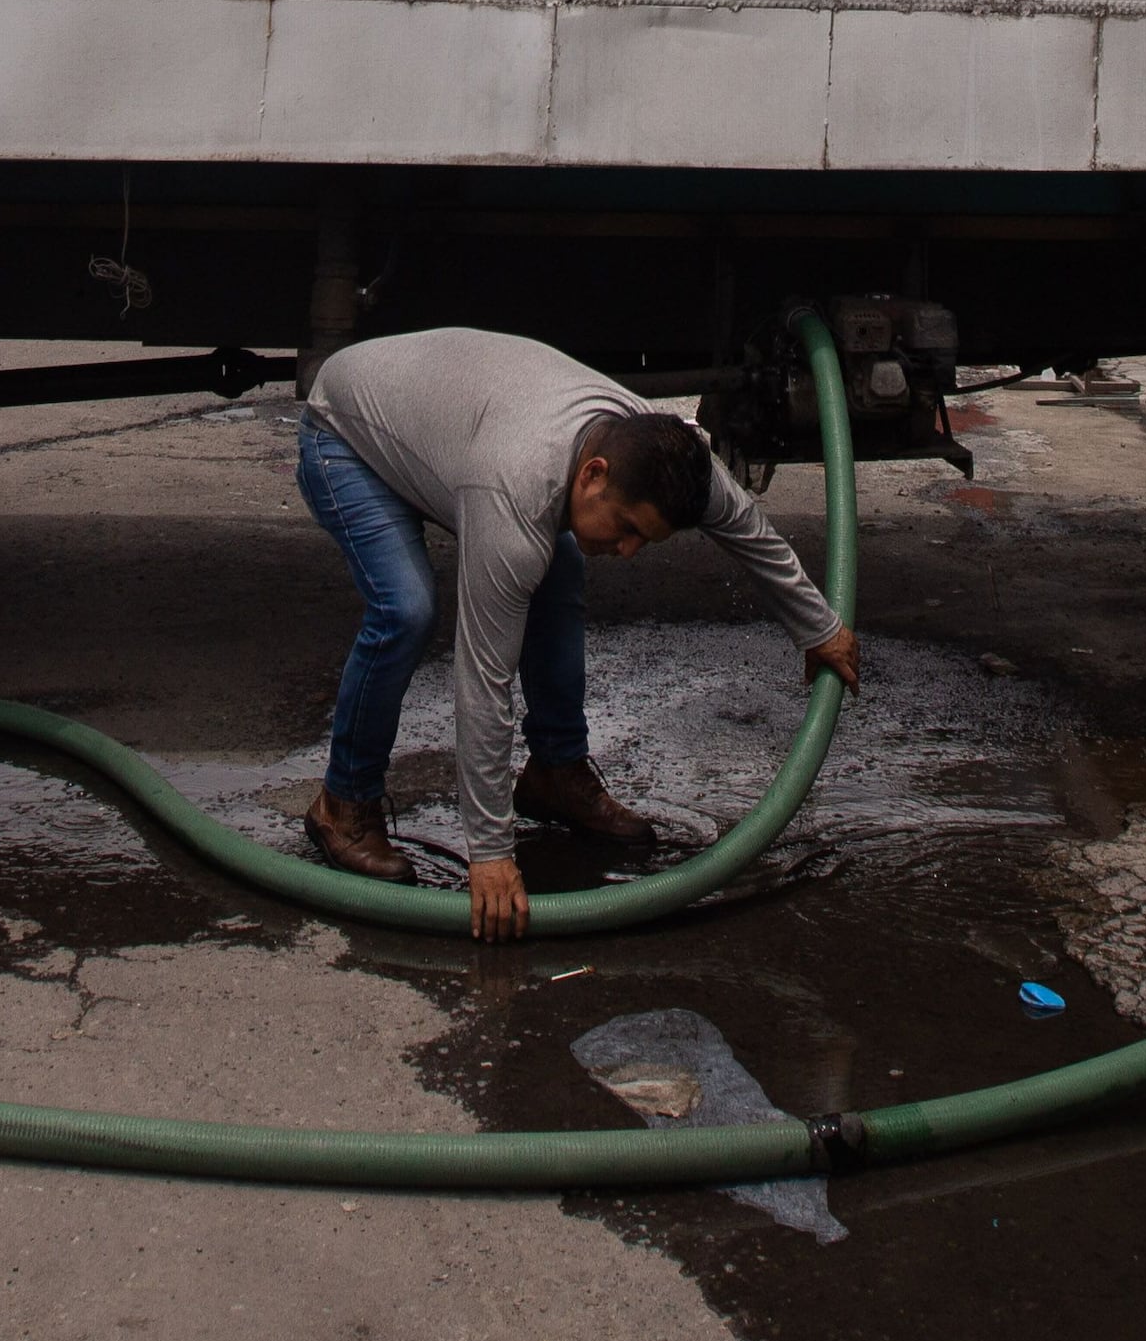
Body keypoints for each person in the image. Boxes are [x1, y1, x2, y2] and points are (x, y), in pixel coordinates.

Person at [296, 327, 860, 939]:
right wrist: (489, 853)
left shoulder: (668, 452)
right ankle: (343, 803)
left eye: (645, 539)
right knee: (406, 608)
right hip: (345, 431)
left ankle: (554, 775)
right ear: (592, 473)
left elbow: (747, 528)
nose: (627, 550)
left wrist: (818, 627)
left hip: (445, 425)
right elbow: (484, 679)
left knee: (559, 566)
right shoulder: (512, 485)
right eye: (625, 527)